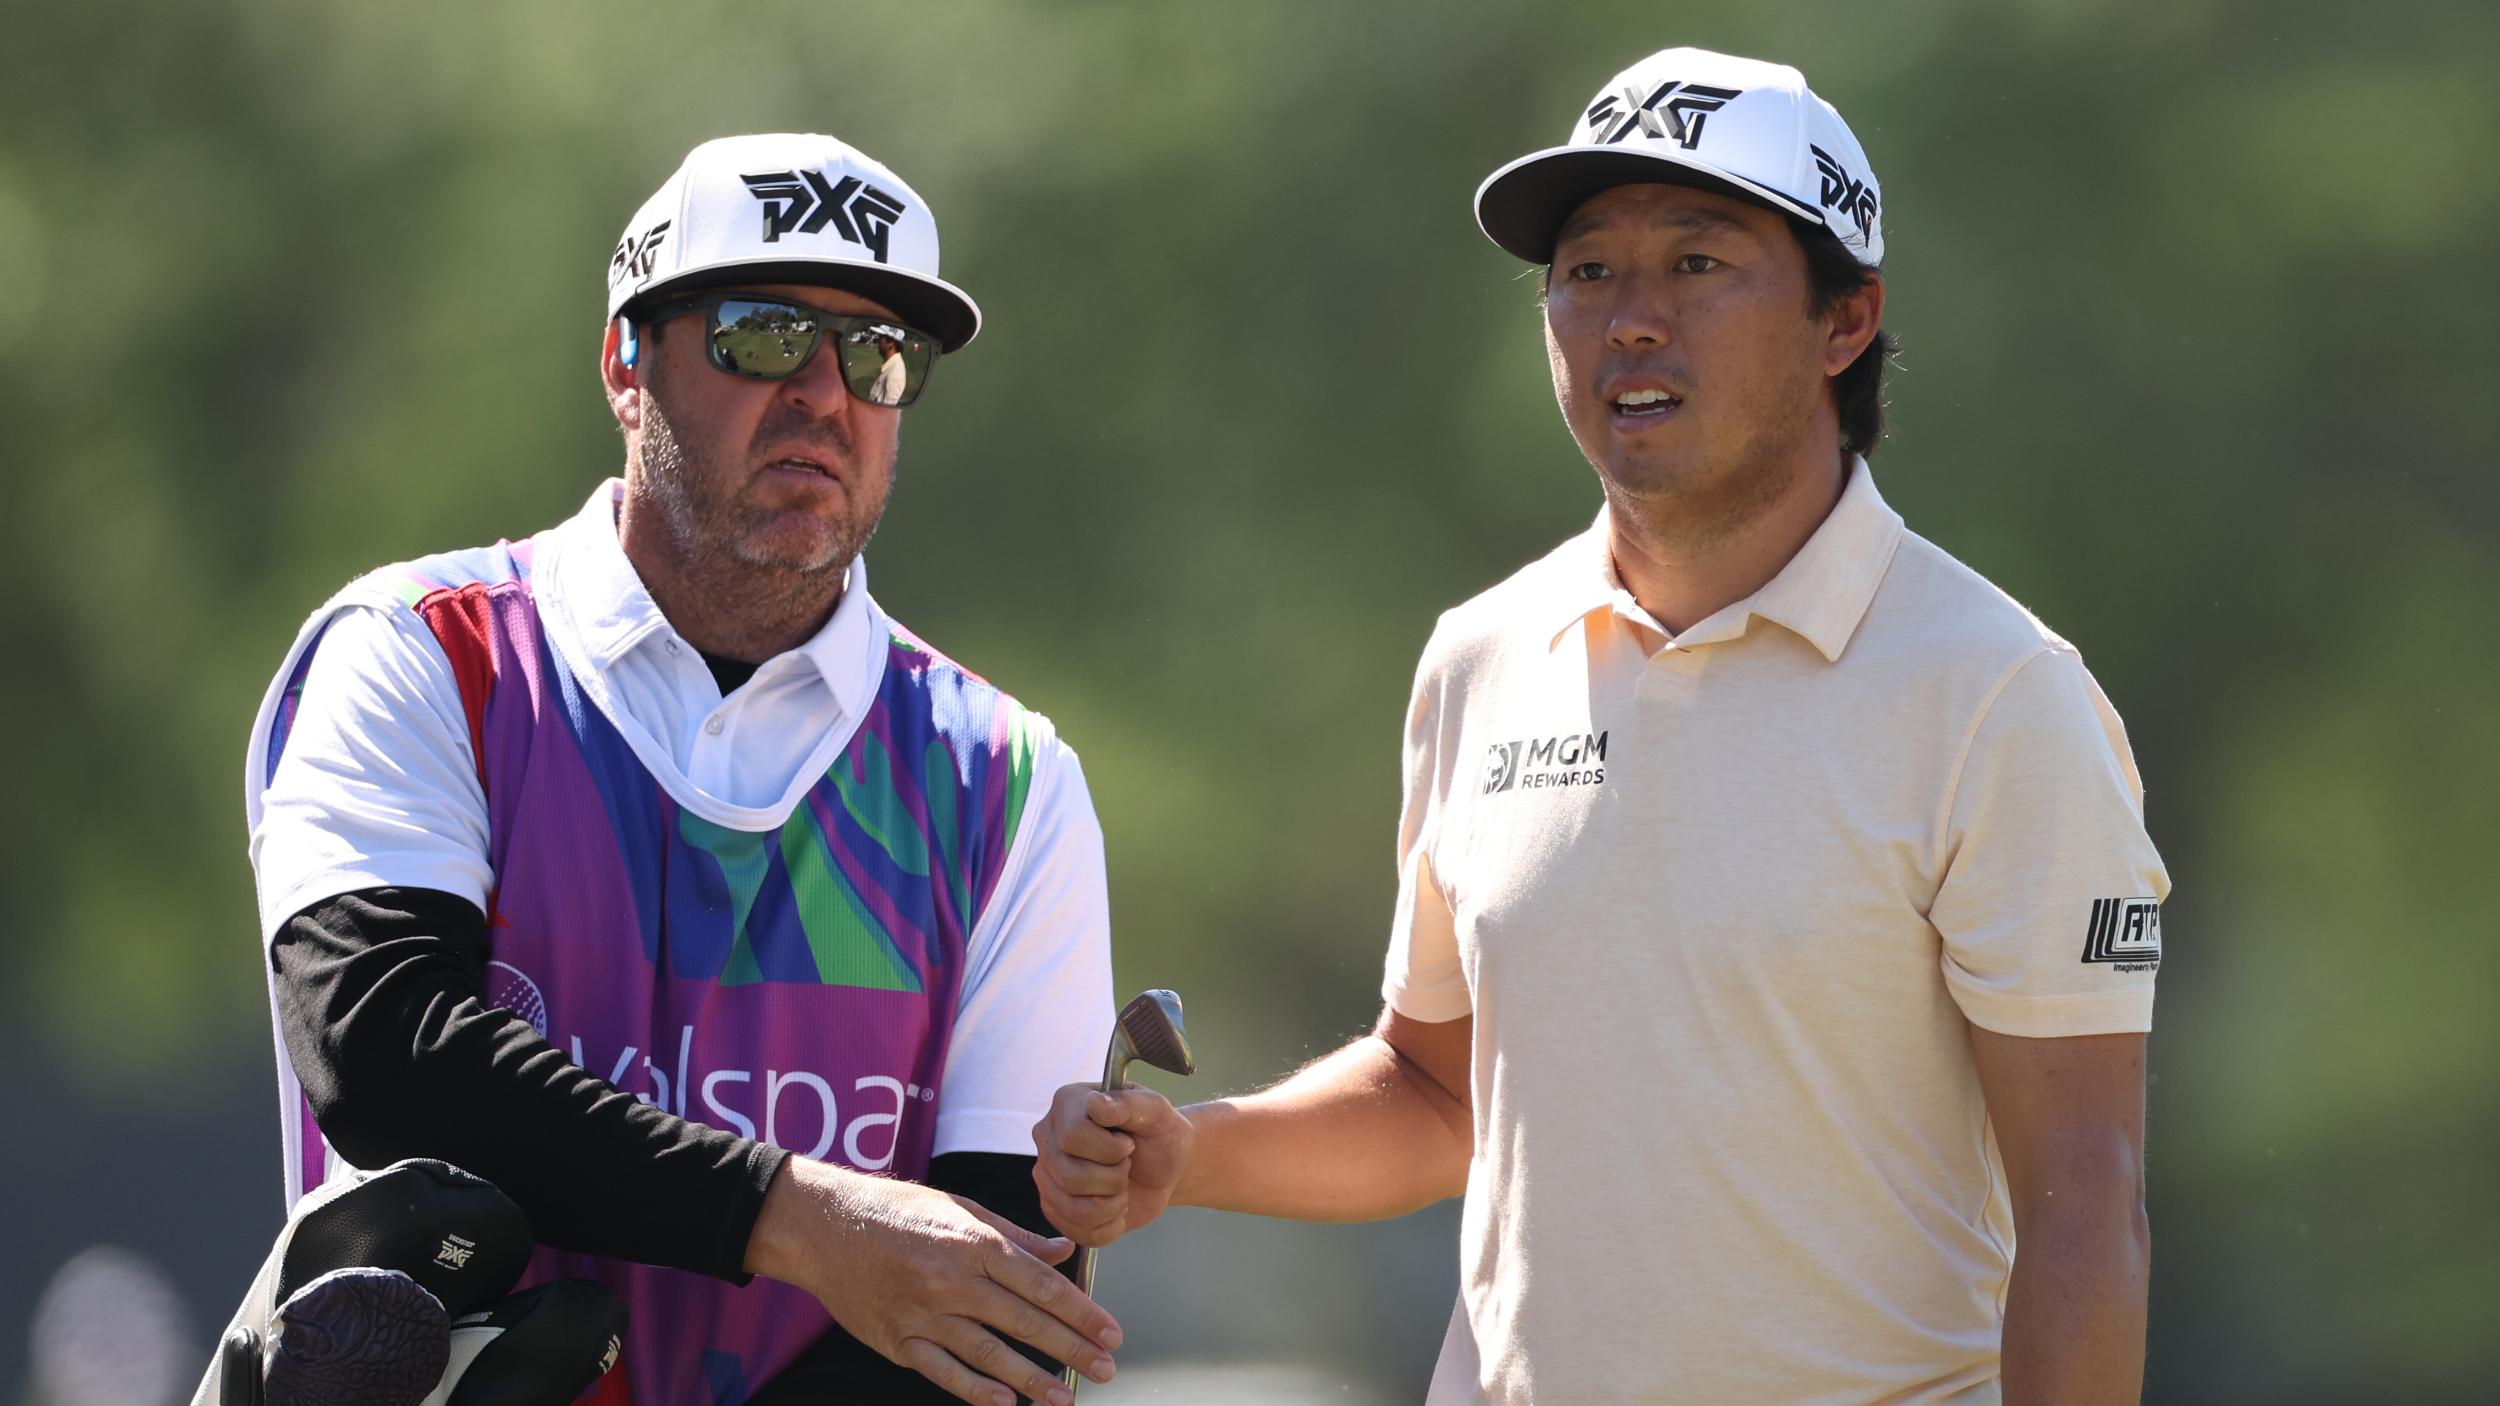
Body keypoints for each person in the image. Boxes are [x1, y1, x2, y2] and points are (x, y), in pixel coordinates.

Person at [1036, 47, 2166, 1406]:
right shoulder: (1481, 655)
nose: (1630, 318)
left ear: (1844, 321)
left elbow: (2084, 1201)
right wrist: (1190, 1152)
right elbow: (1440, 1094)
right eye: (1587, 271)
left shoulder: (1996, 691)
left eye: (1698, 263)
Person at [242, 132, 1122, 1406]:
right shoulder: (423, 651)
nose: (828, 392)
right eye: (765, 334)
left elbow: (1001, 1311)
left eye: (880, 356)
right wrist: (800, 1216)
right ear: (625, 360)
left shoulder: (1007, 777)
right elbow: (385, 1051)